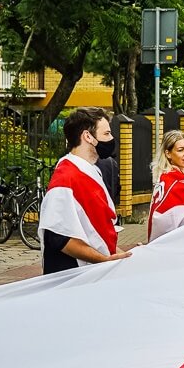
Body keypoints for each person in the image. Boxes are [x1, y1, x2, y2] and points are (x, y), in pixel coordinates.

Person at [40, 107, 131, 274]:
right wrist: (103, 260)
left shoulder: (91, 170)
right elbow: (59, 237)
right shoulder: (66, 177)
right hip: (72, 275)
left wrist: (123, 256)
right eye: (106, 134)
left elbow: (97, 230)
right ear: (88, 136)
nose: (111, 139)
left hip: (90, 272)